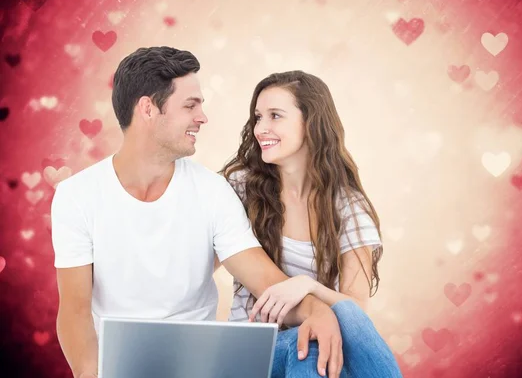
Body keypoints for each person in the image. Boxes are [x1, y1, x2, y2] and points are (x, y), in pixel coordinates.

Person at [51, 47, 344, 378]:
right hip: (120, 370)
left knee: (318, 349)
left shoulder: (212, 192)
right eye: (190, 105)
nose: (202, 117)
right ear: (147, 109)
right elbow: (74, 311)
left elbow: (265, 280)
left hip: (201, 368)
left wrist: (317, 310)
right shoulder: (76, 196)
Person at [220, 71, 403, 377]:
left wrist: (308, 286)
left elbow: (355, 314)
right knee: (311, 344)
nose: (261, 129)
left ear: (311, 122)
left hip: (321, 339)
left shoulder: (348, 207)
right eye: (258, 117)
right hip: (253, 351)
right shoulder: (239, 189)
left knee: (321, 336)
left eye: (275, 116)